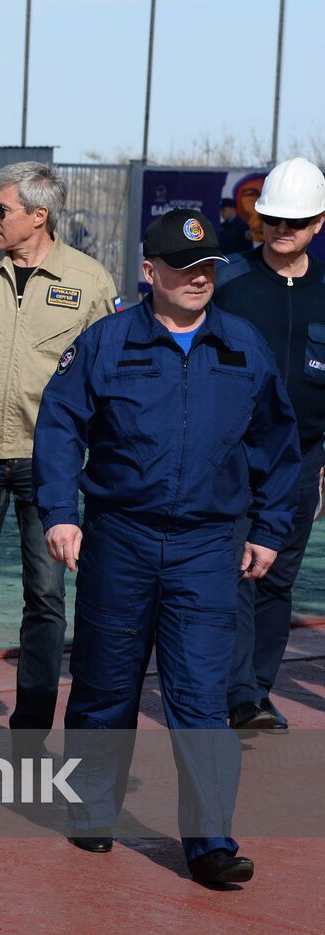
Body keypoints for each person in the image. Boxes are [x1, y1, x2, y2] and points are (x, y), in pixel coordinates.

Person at [33, 208, 298, 886]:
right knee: (104, 684)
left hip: (209, 546)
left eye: (208, 267)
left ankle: (210, 841)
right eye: (183, 269)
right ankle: (92, 809)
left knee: (202, 694)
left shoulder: (242, 346)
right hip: (119, 537)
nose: (198, 278)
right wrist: (61, 513)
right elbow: (60, 423)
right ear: (150, 272)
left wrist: (270, 528)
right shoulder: (105, 342)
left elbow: (277, 441)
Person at [0, 162, 118, 732]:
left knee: (47, 594)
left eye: (0, 210)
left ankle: (32, 712)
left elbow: (105, 383)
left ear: (39, 215)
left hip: (50, 463)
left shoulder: (89, 282)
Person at [214, 156, 325, 732]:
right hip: (230, 456)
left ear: (319, 223)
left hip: (301, 462)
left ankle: (257, 688)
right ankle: (237, 693)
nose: (283, 231)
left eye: (297, 222)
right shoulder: (227, 283)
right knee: (236, 569)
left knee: (277, 575)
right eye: (274, 219)